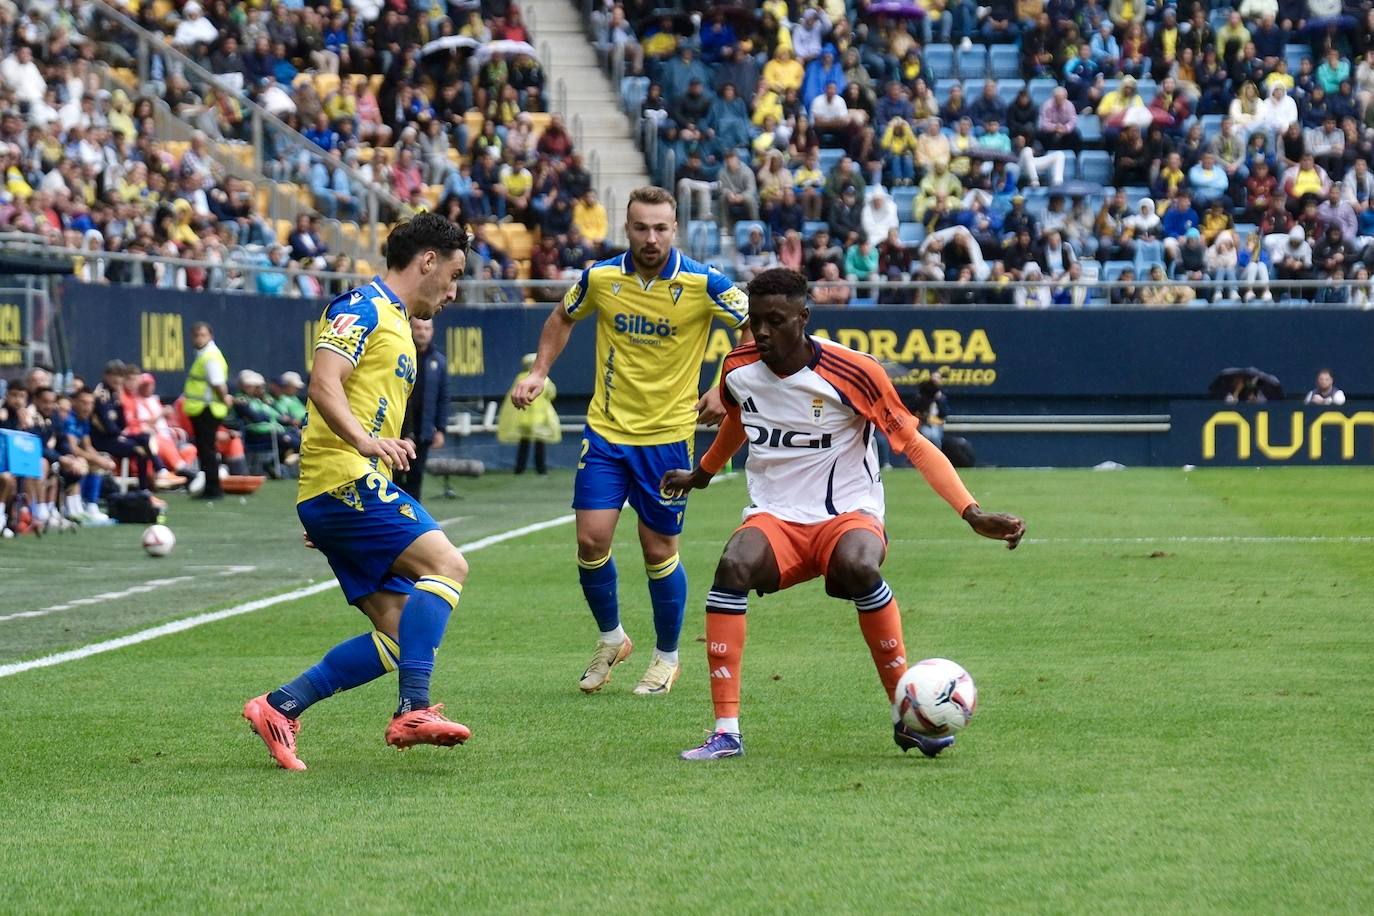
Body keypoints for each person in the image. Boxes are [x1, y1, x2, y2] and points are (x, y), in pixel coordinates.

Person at [662, 269, 1024, 760]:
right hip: (775, 517)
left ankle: (907, 714)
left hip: (847, 514)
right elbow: (737, 420)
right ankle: (726, 731)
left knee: (859, 565)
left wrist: (972, 512)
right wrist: (700, 475)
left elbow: (915, 445)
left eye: (775, 320)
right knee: (732, 567)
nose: (762, 332)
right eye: (755, 321)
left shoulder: (855, 371)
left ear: (803, 318)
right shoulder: (738, 367)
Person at [242, 213, 474, 771]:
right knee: (448, 564)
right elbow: (323, 383)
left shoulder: (395, 321)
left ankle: (279, 707)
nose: (454, 290)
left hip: (340, 490)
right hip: (345, 479)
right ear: (427, 261)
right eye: (454, 273)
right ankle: (414, 709)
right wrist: (363, 445)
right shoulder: (360, 307)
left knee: (398, 634)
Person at [510, 186, 750, 696]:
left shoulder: (705, 283)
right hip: (605, 432)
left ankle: (666, 658)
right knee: (591, 539)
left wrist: (724, 388)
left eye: (661, 228)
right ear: (626, 228)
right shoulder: (600, 277)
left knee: (657, 548)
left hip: (667, 439)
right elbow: (561, 317)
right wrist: (539, 372)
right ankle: (612, 638)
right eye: (641, 227)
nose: (651, 237)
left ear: (676, 229)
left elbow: (756, 330)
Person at [397, 316, 448, 501]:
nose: (422, 332)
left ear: (432, 331)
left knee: (416, 477)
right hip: (398, 429)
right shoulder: (401, 357)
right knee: (393, 476)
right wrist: (403, 433)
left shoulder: (438, 362)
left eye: (426, 328)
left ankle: (412, 519)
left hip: (424, 431)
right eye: (418, 328)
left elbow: (443, 398)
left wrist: (441, 429)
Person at [182, 323, 232, 500]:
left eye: (202, 335)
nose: (198, 338)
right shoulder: (206, 354)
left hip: (207, 409)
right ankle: (211, 486)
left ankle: (213, 488)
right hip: (205, 408)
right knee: (206, 449)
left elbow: (217, 382)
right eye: (196, 335)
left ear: (210, 336)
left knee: (207, 450)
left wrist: (224, 398)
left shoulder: (209, 356)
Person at [497, 353, 560, 475]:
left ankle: (519, 469)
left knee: (524, 445)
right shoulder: (544, 379)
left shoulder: (520, 378)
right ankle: (541, 470)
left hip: (523, 419)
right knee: (539, 446)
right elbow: (552, 393)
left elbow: (513, 395)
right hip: (540, 420)